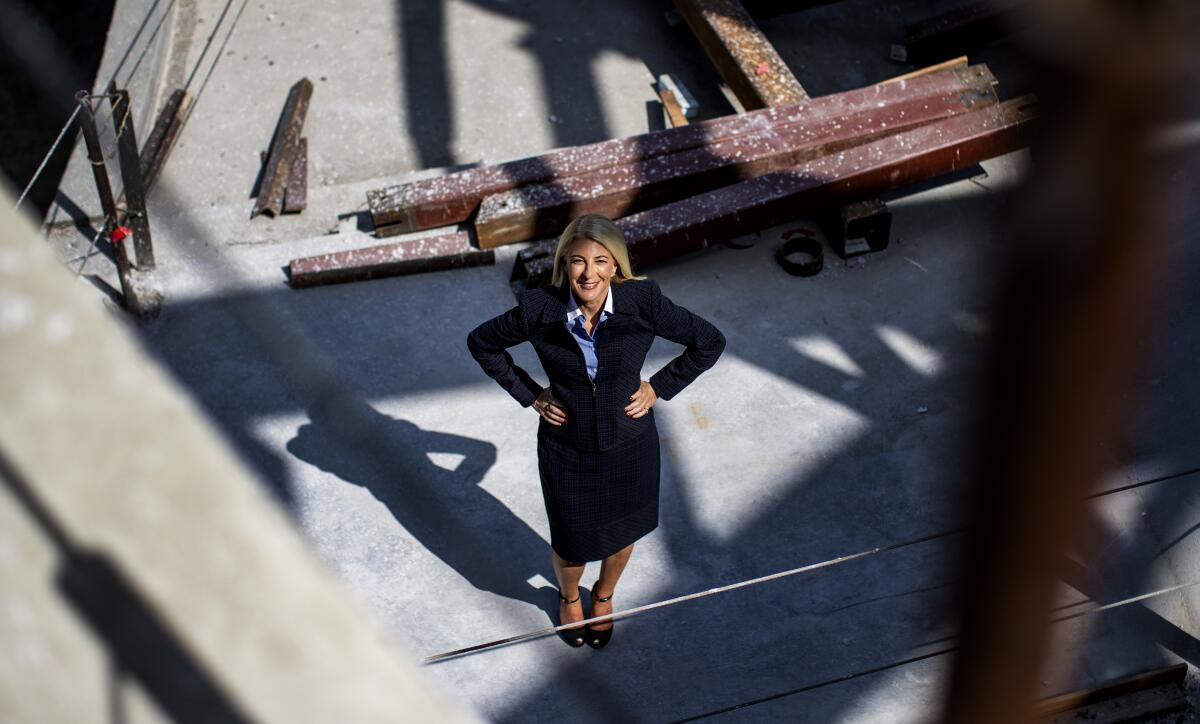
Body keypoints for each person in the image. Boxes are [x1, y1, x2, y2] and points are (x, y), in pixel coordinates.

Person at [467, 214, 725, 649]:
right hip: (566, 448)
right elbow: (482, 343)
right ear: (563, 264)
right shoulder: (539, 309)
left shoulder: (643, 301)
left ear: (616, 265)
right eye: (577, 261)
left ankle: (603, 596)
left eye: (601, 261)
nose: (589, 273)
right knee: (570, 545)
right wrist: (531, 395)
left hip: (630, 444)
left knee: (622, 536)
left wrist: (658, 387)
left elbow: (708, 342)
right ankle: (570, 598)